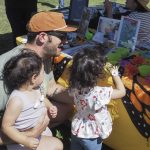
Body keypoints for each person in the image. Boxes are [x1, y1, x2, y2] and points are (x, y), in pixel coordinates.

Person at [0, 11, 76, 147]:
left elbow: (50, 87)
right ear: (42, 37)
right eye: (62, 36)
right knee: (56, 145)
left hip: (26, 113)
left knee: (67, 107)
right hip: (9, 124)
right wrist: (31, 134)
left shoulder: (44, 55)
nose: (66, 40)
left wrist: (81, 96)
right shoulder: (14, 67)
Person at [1, 51, 63, 150]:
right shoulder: (17, 100)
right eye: (43, 72)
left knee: (54, 142)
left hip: (38, 132)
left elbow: (42, 99)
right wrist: (25, 140)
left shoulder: (36, 88)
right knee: (58, 145)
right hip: (21, 142)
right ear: (34, 78)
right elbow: (6, 126)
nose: (44, 74)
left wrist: (50, 106)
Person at [69, 48, 126, 150]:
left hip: (77, 128)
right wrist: (115, 74)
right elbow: (122, 92)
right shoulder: (100, 93)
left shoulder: (74, 88)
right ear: (97, 74)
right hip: (93, 134)